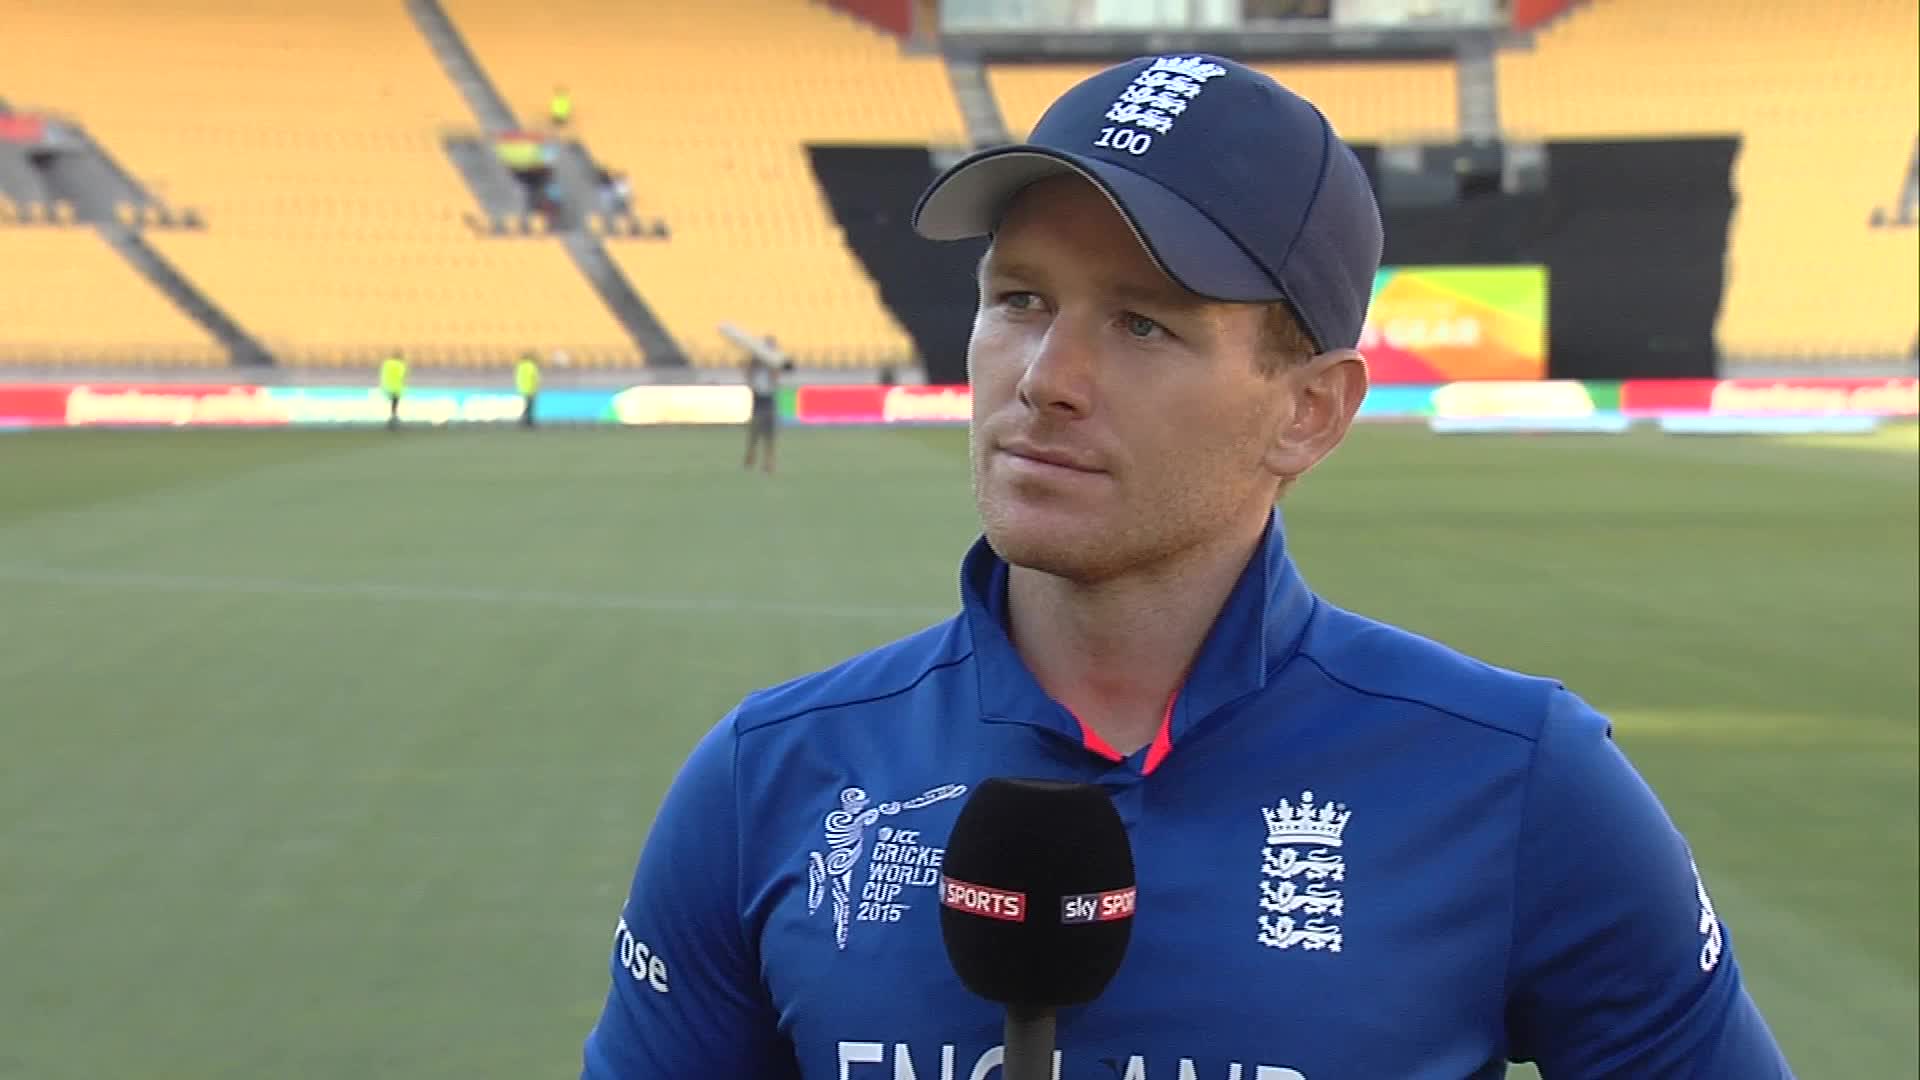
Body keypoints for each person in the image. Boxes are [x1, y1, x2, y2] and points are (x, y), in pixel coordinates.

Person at [580, 56, 1794, 1079]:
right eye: (1020, 299)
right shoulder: (767, 778)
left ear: (1309, 413)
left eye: (1143, 322)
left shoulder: (1522, 782)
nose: (1046, 377)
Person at [743, 337, 784, 474]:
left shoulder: (773, 365)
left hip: (769, 399)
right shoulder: (755, 364)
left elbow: (775, 380)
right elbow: (748, 376)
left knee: (769, 434)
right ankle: (751, 455)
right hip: (758, 398)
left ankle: (768, 462)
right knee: (755, 431)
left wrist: (771, 366)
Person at [379, 349, 407, 431]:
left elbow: (383, 374)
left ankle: (392, 419)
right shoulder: (401, 365)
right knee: (394, 404)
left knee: (392, 404)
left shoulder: (387, 364)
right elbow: (402, 376)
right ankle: (393, 420)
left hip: (386, 386)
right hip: (396, 387)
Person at [515, 349, 541, 428]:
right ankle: (527, 422)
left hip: (523, 389)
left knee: (527, 406)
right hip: (531, 389)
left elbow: (518, 378)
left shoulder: (520, 366)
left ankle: (526, 421)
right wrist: (536, 386)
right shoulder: (531, 366)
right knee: (530, 407)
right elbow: (535, 377)